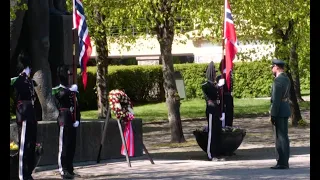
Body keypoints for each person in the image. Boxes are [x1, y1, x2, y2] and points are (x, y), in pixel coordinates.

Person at [10, 54, 37, 180]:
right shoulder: (18, 80)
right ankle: (22, 175)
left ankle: (28, 172)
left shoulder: (30, 81)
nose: (30, 70)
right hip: (24, 113)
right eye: (29, 67)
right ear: (25, 67)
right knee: (24, 144)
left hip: (31, 113)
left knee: (31, 144)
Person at [52, 66, 81, 179]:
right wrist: (70, 90)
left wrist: (78, 119)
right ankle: (63, 169)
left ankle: (70, 168)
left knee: (71, 146)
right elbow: (60, 96)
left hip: (72, 120)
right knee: (63, 146)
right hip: (63, 120)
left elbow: (77, 106)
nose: (69, 78)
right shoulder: (58, 89)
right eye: (67, 75)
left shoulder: (72, 90)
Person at [201, 61, 225, 161]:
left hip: (216, 109)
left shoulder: (214, 85)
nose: (215, 75)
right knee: (211, 133)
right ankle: (210, 154)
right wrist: (218, 87)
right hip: (211, 110)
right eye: (214, 73)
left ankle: (216, 153)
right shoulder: (206, 85)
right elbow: (212, 94)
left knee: (216, 132)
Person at [269, 59, 291, 169]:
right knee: (284, 137)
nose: (272, 69)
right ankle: (284, 160)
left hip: (279, 111)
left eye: (272, 67)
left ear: (277, 67)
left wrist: (273, 114)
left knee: (280, 137)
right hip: (285, 109)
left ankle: (282, 162)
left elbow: (276, 100)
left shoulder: (277, 81)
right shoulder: (286, 79)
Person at [216, 57, 234, 127]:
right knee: (223, 114)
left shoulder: (229, 77)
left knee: (229, 115)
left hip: (229, 98)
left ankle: (228, 127)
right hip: (222, 98)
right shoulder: (219, 78)